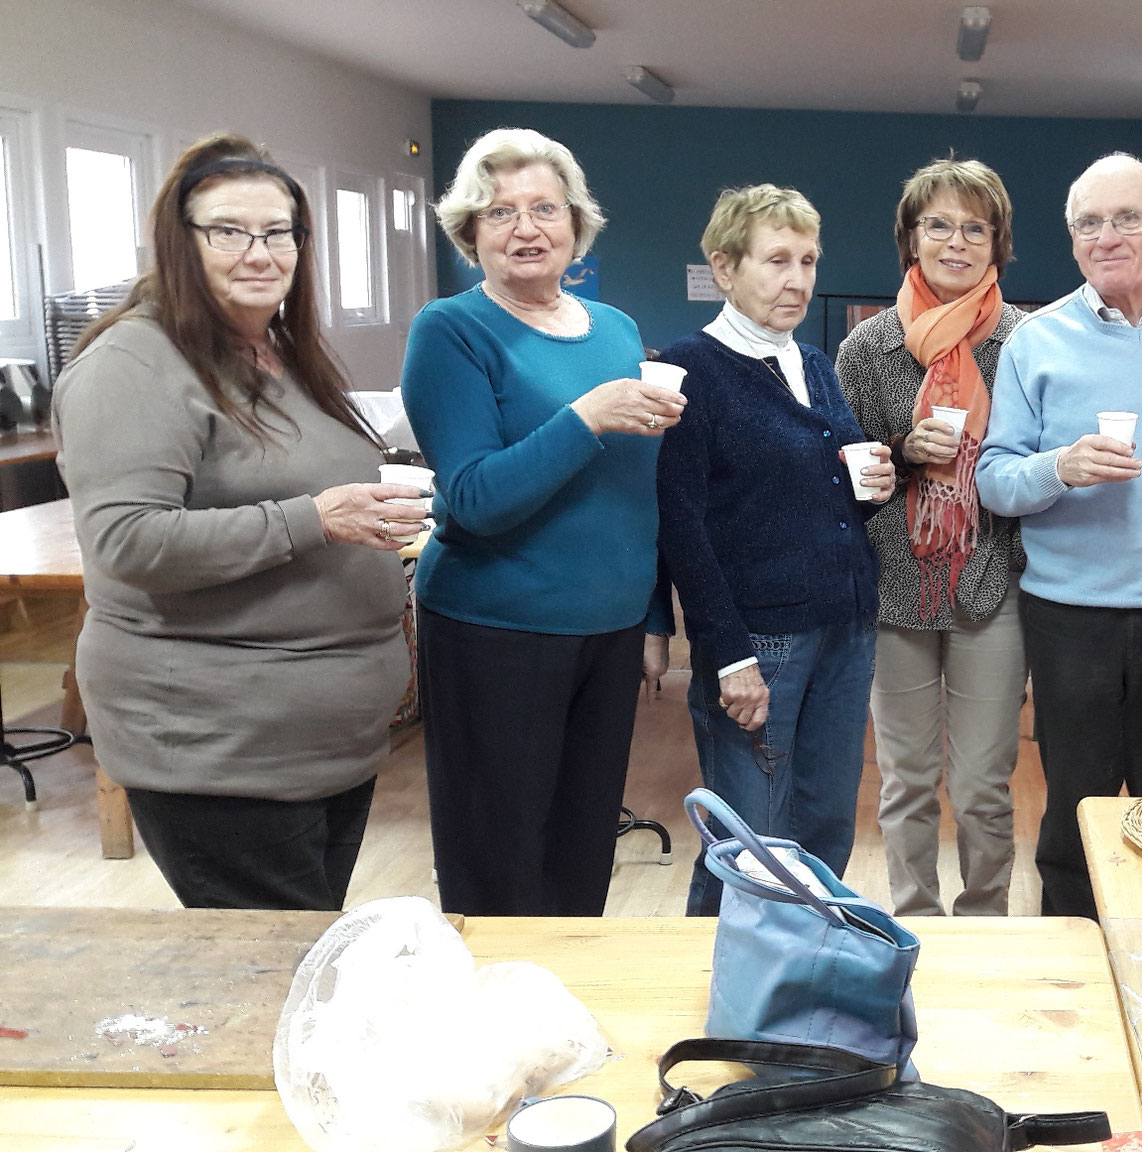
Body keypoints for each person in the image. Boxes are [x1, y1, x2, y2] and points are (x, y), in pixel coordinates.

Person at [55, 132, 416, 910]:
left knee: (308, 968)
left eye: (278, 231)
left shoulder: (277, 353)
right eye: (227, 230)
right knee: (273, 989)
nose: (260, 251)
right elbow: (128, 543)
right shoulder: (134, 363)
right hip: (220, 753)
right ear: (177, 242)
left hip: (319, 747)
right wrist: (315, 518)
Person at [402, 128, 684, 917]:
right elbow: (473, 499)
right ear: (469, 233)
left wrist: (654, 615)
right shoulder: (451, 331)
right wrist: (586, 416)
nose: (526, 229)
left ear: (575, 224)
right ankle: (491, 1026)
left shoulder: (617, 331)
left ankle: (564, 1014)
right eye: (499, 213)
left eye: (543, 209)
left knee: (583, 848)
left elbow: (641, 490)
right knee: (498, 860)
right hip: (496, 630)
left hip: (611, 627)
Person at [978, 153, 1142, 918]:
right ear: (1071, 239)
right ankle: (1073, 964)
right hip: (1069, 616)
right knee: (1074, 814)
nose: (1108, 236)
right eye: (1088, 222)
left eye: (1127, 217)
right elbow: (994, 480)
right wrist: (1061, 465)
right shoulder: (1036, 339)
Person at [650, 185, 897, 917]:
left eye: (809, 261)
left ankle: (802, 977)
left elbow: (831, 477)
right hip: (761, 642)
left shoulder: (815, 365)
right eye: (777, 260)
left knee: (823, 827)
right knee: (749, 840)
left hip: (845, 628)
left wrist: (872, 481)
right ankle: (711, 987)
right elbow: (681, 524)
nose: (797, 279)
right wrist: (726, 656)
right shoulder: (691, 370)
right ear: (725, 269)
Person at [837, 158, 1028, 917]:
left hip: (991, 584)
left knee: (983, 783)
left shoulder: (1025, 342)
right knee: (908, 779)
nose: (956, 241)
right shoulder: (866, 348)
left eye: (974, 227)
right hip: (893, 587)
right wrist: (898, 448)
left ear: (997, 243)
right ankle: (915, 923)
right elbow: (842, 476)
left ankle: (984, 923)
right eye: (938, 225)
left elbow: (1035, 466)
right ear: (911, 238)